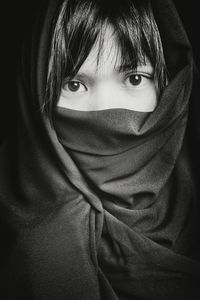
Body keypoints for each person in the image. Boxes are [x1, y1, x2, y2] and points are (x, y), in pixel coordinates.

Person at [0, 0, 200, 299]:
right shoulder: (34, 248)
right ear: (38, 95)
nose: (106, 109)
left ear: (169, 92)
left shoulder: (193, 196)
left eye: (135, 78)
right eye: (74, 85)